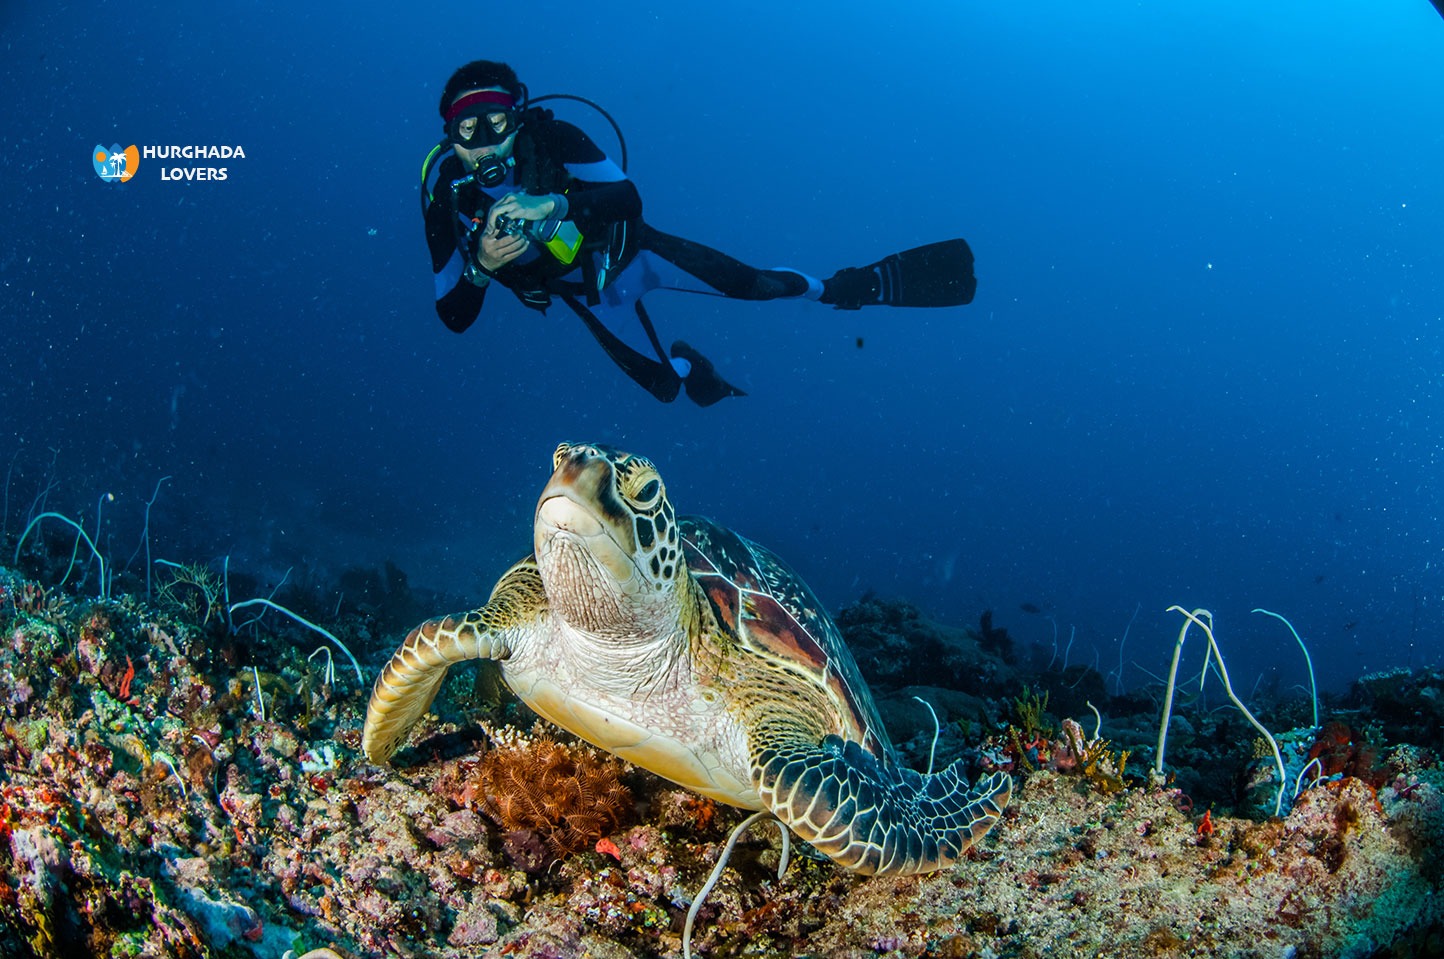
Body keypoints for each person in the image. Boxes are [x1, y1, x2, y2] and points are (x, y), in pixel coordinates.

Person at [423, 60, 977, 406]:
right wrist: (482, 267)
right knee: (667, 386)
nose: (485, 143)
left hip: (636, 253)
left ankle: (847, 286)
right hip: (588, 293)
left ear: (517, 118)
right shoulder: (447, 193)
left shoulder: (557, 139)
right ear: (450, 137)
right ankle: (694, 365)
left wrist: (558, 200)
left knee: (752, 284)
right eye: (466, 130)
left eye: (496, 122)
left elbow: (629, 198)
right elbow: (454, 316)